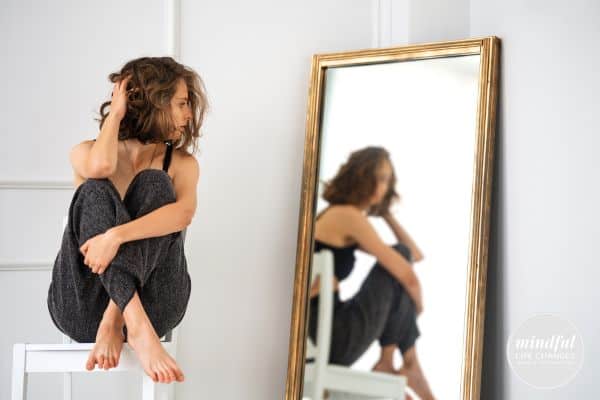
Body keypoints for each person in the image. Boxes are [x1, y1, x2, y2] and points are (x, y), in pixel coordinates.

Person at [46, 56, 208, 384]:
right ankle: (130, 323)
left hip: (155, 306)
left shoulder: (181, 164)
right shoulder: (86, 152)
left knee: (154, 184)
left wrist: (115, 236)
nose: (189, 115)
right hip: (82, 307)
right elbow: (99, 170)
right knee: (94, 190)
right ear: (153, 101)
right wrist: (117, 114)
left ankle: (120, 317)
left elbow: (183, 214)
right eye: (181, 104)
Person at [307, 146, 435, 400]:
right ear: (362, 177)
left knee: (399, 257)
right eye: (380, 178)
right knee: (397, 260)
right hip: (334, 336)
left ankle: (395, 362)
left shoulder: (335, 215)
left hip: (324, 331)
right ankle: (403, 362)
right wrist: (417, 307)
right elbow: (407, 274)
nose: (384, 186)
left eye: (388, 180)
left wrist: (385, 213)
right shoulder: (348, 217)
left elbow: (414, 255)